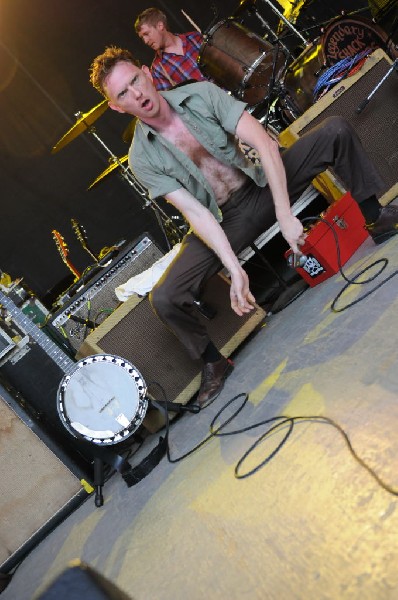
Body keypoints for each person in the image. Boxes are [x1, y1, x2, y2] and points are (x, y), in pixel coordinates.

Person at [89, 47, 398, 406]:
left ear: (147, 72)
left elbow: (266, 146)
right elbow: (197, 215)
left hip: (262, 187)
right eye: (123, 93)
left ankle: (374, 217)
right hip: (223, 221)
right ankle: (214, 362)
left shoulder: (200, 94)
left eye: (135, 80)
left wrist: (284, 213)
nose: (137, 94)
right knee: (166, 297)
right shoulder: (141, 158)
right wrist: (234, 269)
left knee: (335, 130)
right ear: (116, 106)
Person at [134, 7, 208, 90]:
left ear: (160, 26)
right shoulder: (158, 69)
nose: (145, 41)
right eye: (142, 37)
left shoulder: (194, 38)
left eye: (146, 34)